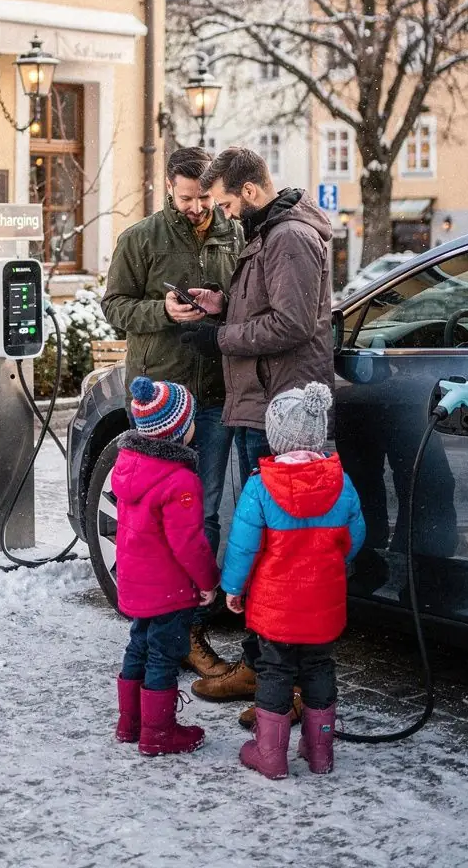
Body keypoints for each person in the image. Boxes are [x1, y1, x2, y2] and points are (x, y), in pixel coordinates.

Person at [181, 146, 335, 705]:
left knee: (276, 547)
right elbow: (271, 308)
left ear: (248, 191)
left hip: (279, 410)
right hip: (263, 402)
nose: (221, 214)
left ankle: (277, 675)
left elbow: (292, 323)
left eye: (224, 203)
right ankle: (264, 664)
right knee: (270, 543)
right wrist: (223, 306)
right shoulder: (271, 233)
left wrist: (220, 336)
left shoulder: (288, 236)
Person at [102, 146, 242, 678]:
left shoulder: (233, 231)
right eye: (187, 198)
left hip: (214, 392)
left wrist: (221, 304)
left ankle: (190, 623)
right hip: (162, 397)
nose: (197, 207)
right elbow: (113, 306)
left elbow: (245, 296)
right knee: (154, 513)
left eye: (204, 197)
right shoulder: (140, 239)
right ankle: (164, 621)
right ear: (168, 188)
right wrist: (162, 310)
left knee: (200, 510)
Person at [221, 382, 365, 778]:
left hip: (276, 608)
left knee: (275, 671)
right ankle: (320, 754)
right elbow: (355, 538)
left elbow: (243, 547)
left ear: (276, 436)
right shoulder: (341, 482)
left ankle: (271, 755)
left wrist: (234, 588)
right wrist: (332, 564)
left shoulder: (260, 486)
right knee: (320, 667)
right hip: (322, 604)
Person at [112, 375, 220, 756]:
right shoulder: (180, 480)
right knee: (164, 654)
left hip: (136, 584)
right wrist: (208, 580)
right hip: (170, 591)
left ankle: (130, 723)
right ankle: (158, 733)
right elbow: (188, 544)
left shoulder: (129, 464)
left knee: (138, 645)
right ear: (178, 431)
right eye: (190, 421)